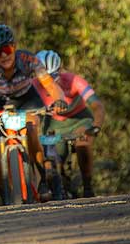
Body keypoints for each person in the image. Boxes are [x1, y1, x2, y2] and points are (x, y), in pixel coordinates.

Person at [0, 24, 68, 202]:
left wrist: (60, 100)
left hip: (26, 100)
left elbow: (50, 85)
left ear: (14, 46)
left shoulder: (28, 59)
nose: (3, 56)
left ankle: (43, 176)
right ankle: (5, 197)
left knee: (32, 128)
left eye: (7, 49)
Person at [34, 49, 106, 198]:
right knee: (50, 158)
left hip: (79, 119)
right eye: (44, 79)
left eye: (53, 77)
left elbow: (97, 105)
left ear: (60, 70)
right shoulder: (33, 85)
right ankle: (54, 185)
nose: (49, 83)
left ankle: (87, 186)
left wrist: (96, 126)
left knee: (83, 142)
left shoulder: (74, 80)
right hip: (53, 123)